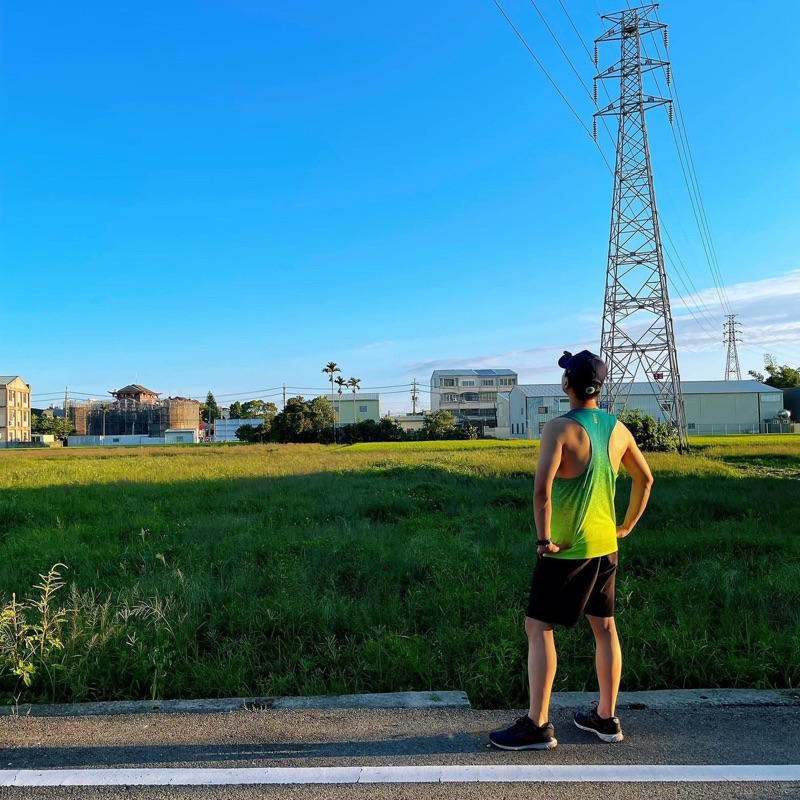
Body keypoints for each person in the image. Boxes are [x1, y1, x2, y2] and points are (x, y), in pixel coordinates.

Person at [489, 349, 653, 750]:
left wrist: (544, 540)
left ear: (567, 385)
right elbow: (645, 479)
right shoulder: (618, 428)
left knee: (538, 628)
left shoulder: (559, 428)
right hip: (605, 547)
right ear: (600, 387)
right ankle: (606, 718)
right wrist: (626, 525)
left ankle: (537, 724)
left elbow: (542, 491)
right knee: (605, 628)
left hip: (566, 550)